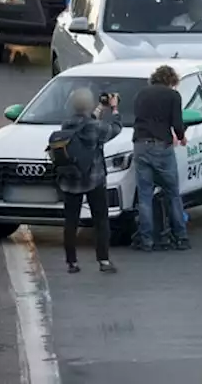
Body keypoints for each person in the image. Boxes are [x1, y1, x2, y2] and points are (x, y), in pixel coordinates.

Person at [56, 88, 123, 274]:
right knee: (101, 220)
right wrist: (114, 109)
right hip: (94, 178)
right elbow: (115, 128)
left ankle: (71, 262)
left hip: (71, 178)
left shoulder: (66, 125)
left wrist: (100, 109)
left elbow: (85, 124)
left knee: (70, 221)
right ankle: (103, 260)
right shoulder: (96, 127)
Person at [130, 65, 189, 252]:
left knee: (145, 195)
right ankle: (181, 236)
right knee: (172, 193)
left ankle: (146, 239)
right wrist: (181, 137)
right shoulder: (173, 96)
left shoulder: (141, 94)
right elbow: (177, 123)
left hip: (140, 145)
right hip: (161, 146)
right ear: (171, 80)